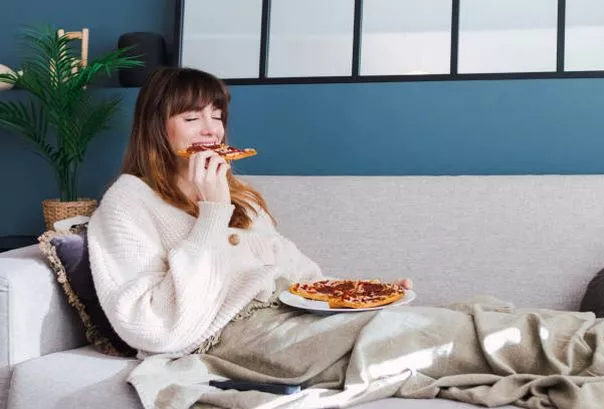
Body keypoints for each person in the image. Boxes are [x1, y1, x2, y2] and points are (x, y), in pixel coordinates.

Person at [88, 66, 410, 357]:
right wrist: (213, 213)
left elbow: (300, 277)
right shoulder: (128, 201)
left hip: (290, 316)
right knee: (407, 341)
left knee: (411, 324)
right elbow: (155, 327)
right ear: (156, 126)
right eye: (191, 118)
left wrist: (365, 296)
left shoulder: (241, 195)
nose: (211, 130)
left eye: (217, 116)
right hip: (230, 334)